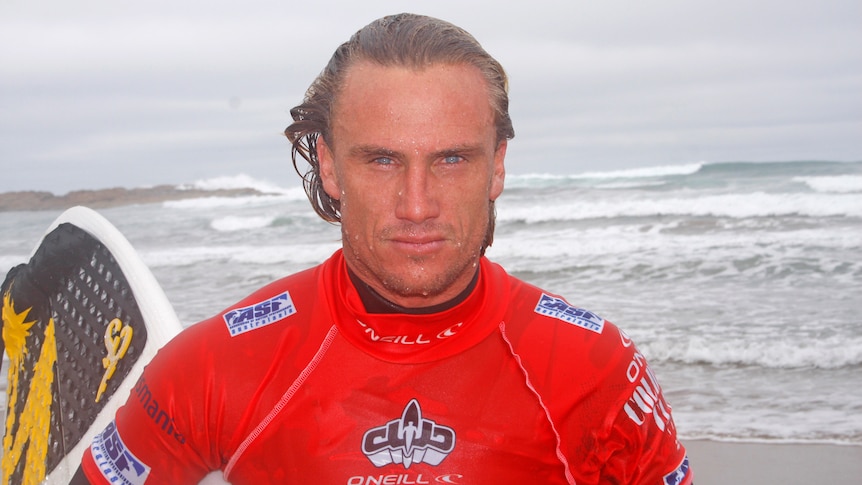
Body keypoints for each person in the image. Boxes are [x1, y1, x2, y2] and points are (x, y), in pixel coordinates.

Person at [75, 13, 692, 485]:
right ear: (331, 166)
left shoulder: (598, 371)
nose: (417, 204)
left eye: (451, 158)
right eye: (381, 159)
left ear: (497, 166)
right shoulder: (217, 366)